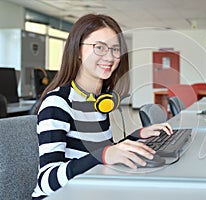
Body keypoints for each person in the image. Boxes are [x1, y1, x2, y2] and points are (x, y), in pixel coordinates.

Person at [32, 14, 172, 199]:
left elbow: (101, 151)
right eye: (99, 47)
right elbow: (47, 182)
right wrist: (104, 154)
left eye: (115, 49)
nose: (110, 57)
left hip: (90, 189)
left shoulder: (100, 101)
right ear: (78, 51)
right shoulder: (57, 103)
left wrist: (137, 136)